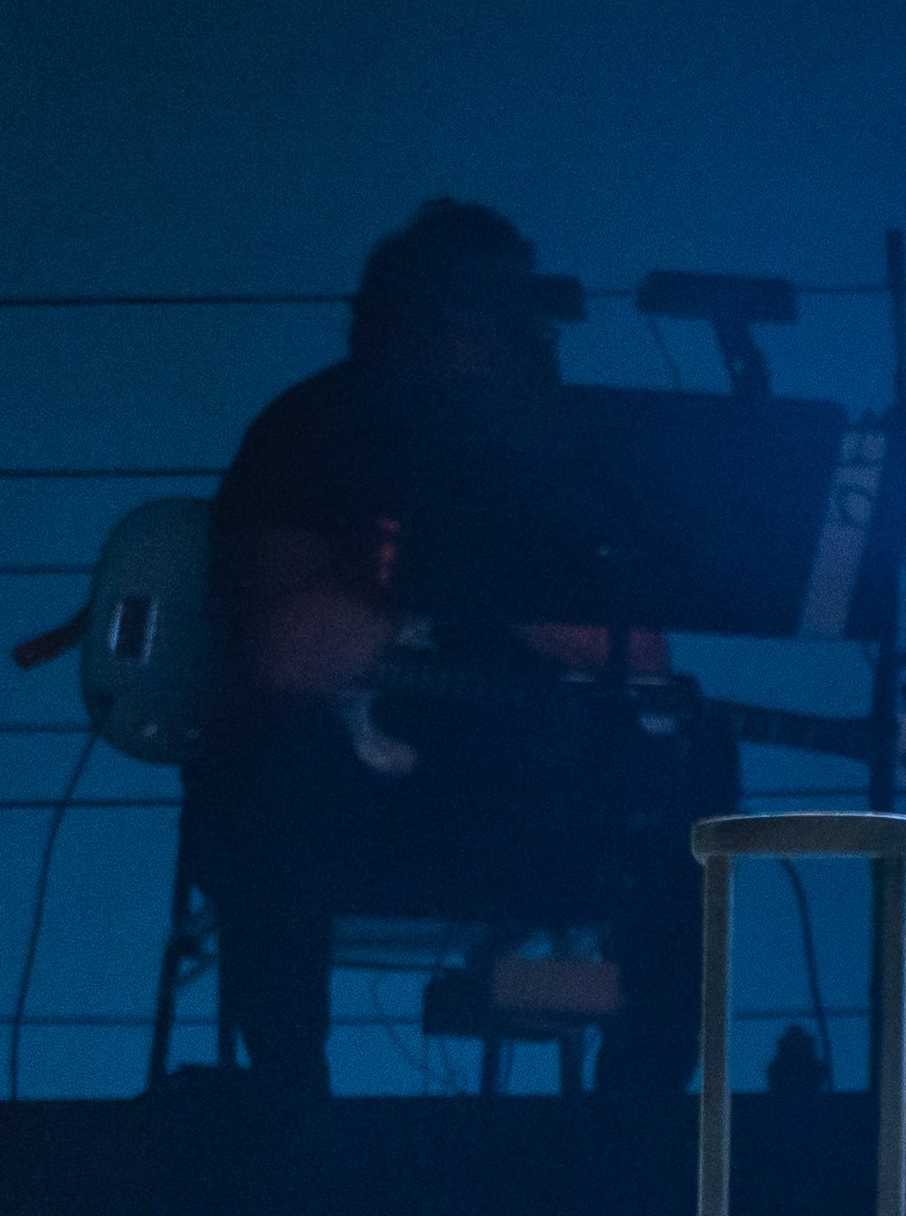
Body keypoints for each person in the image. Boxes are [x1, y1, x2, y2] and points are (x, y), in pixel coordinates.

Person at [174, 199, 712, 1081]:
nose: (480, 340)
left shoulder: (561, 451)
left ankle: (640, 1108)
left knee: (695, 750)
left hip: (521, 789)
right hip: (338, 801)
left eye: (500, 315)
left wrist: (494, 564)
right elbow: (281, 655)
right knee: (274, 757)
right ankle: (287, 1098)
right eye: (454, 312)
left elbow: (644, 663)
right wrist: (406, 555)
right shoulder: (312, 432)